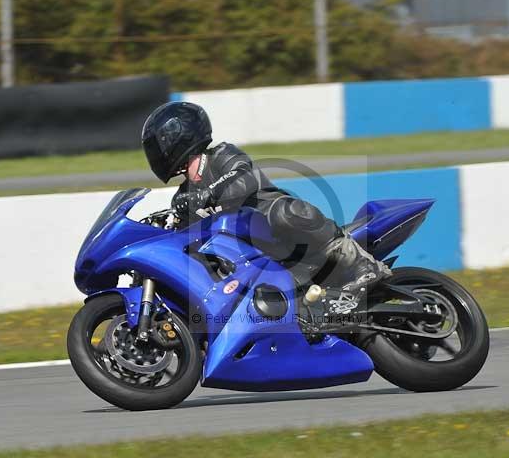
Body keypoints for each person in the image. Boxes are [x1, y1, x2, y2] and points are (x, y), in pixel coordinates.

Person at [140, 101, 391, 312]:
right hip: (249, 260)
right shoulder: (182, 197)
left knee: (282, 212)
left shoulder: (222, 154)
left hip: (276, 232)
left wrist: (207, 193)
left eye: (159, 143)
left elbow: (243, 179)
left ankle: (362, 263)